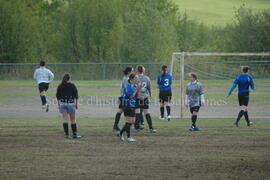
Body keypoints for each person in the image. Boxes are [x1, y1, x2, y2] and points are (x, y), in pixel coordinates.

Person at [118, 73, 142, 142]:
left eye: (137, 78)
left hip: (132, 104)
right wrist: (136, 89)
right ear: (131, 79)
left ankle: (120, 133)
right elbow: (131, 96)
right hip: (127, 104)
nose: (137, 79)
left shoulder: (134, 86)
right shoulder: (128, 86)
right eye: (136, 78)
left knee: (132, 121)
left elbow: (136, 96)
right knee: (129, 121)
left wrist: (138, 89)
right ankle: (128, 137)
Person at [56, 73, 81, 139]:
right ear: (69, 78)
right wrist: (76, 104)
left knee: (65, 119)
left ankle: (66, 135)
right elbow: (76, 96)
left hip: (62, 103)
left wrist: (59, 105)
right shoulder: (72, 85)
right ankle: (75, 134)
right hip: (70, 104)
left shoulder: (60, 86)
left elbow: (58, 97)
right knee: (73, 120)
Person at [135, 65, 156, 133]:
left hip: (137, 97)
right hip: (145, 97)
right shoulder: (147, 78)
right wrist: (150, 95)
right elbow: (149, 88)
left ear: (137, 70)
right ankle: (151, 128)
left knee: (137, 112)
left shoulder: (135, 78)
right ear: (143, 70)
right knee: (147, 113)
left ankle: (137, 127)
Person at [113, 67, 133, 131]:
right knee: (127, 111)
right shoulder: (127, 79)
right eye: (132, 71)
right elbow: (127, 90)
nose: (133, 72)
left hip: (122, 97)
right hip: (125, 98)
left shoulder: (125, 78)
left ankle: (115, 126)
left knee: (120, 111)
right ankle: (128, 125)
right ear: (129, 72)